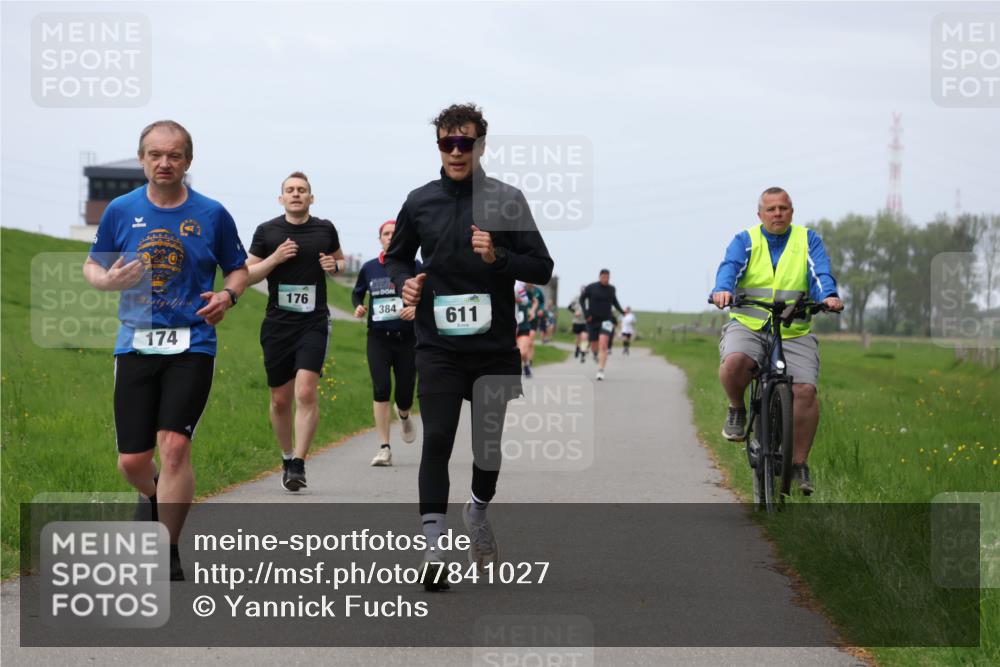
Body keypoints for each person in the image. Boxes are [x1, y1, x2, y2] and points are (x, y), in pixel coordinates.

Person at [384, 103, 553, 589]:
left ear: (481, 145)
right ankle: (434, 547)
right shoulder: (420, 201)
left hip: (494, 347)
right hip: (437, 343)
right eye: (447, 143)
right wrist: (403, 283)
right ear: (438, 146)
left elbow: (541, 267)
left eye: (465, 143)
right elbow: (397, 258)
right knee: (437, 438)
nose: (456, 151)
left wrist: (498, 257)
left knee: (487, 448)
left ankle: (477, 511)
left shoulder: (507, 200)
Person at [84, 120, 248, 580]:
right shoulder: (121, 210)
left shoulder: (212, 214)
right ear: (142, 159)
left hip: (192, 342)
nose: (164, 163)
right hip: (135, 342)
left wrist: (228, 296)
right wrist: (107, 280)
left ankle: (167, 550)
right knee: (132, 461)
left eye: (174, 155)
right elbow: (93, 266)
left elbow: (238, 269)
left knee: (174, 447)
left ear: (187, 161)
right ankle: (156, 496)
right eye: (155, 154)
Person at [709, 187, 843, 495]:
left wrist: (828, 296)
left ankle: (798, 464)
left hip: (793, 329)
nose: (777, 213)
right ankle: (737, 408)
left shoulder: (807, 240)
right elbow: (730, 267)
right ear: (760, 214)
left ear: (792, 212)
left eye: (783, 208)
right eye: (771, 209)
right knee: (734, 363)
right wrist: (722, 289)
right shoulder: (746, 240)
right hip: (749, 324)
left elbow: (820, 272)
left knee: (805, 391)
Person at [246, 171, 345, 491]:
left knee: (305, 391)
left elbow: (340, 262)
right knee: (279, 400)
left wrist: (334, 267)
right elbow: (247, 274)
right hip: (277, 324)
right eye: (290, 190)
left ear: (311, 197)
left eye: (302, 189)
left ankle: (299, 464)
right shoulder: (267, 231)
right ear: (281, 198)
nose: (296, 194)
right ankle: (287, 456)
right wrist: (275, 258)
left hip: (313, 322)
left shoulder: (325, 229)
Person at [352, 220, 421, 467]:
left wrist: (416, 309)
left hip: (408, 339)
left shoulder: (415, 266)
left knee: (404, 394)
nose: (391, 237)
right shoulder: (370, 267)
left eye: (395, 233)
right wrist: (358, 306)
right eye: (386, 233)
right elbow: (357, 292)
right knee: (381, 388)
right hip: (378, 338)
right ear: (380, 238)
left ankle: (403, 414)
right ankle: (384, 448)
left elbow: (429, 294)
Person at [581, 269, 625, 380]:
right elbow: (582, 299)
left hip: (607, 320)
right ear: (600, 277)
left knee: (603, 344)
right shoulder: (591, 287)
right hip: (592, 320)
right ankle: (595, 354)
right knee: (594, 344)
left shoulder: (611, 289)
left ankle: (600, 370)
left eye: (608, 277)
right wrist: (586, 314)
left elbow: (615, 302)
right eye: (604, 277)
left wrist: (622, 312)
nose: (606, 279)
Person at [515, 281, 544, 377]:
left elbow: (535, 301)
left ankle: (526, 364)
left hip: (523, 325)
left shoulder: (523, 290)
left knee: (522, 351)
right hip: (508, 327)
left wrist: (532, 311)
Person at [568, 286, 589, 363]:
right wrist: (575, 312)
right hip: (577, 321)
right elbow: (569, 307)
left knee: (584, 337)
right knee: (578, 338)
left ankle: (583, 354)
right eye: (582, 291)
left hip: (586, 322)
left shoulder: (589, 300)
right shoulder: (576, 298)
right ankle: (577, 348)